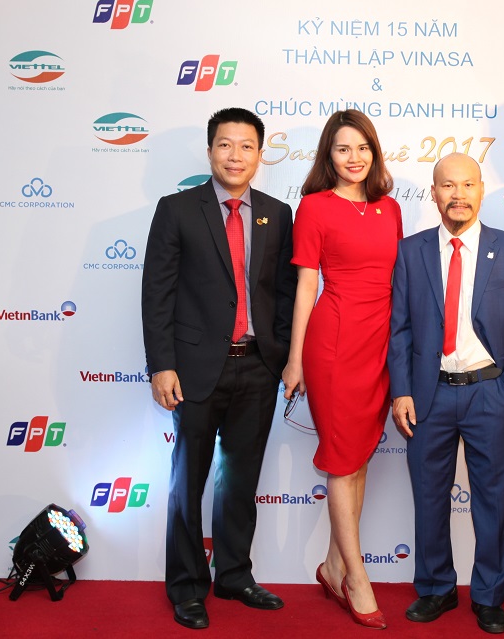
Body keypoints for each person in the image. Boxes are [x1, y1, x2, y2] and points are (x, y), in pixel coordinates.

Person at [142, 107, 296, 630]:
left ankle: (233, 574)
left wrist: (282, 357)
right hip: (193, 371)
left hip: (257, 367)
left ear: (260, 154)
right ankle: (187, 587)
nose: (236, 156)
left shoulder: (277, 213)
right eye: (225, 145)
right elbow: (157, 294)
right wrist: (162, 365)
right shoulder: (177, 209)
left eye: (246, 146)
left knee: (240, 482)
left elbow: (284, 293)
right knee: (188, 483)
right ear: (210, 151)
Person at [388, 153, 504, 635]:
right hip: (428, 395)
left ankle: (489, 595)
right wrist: (401, 391)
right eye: (448, 186)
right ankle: (436, 588)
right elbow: (400, 329)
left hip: (489, 393)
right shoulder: (410, 252)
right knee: (429, 497)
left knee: (492, 501)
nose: (458, 195)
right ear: (433, 193)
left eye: (468, 185)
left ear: (481, 190)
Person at [281, 109, 402, 630]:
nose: (355, 158)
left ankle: (332, 566)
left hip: (380, 344)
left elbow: (397, 281)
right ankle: (357, 577)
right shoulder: (314, 207)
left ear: (374, 152)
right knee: (341, 461)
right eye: (343, 149)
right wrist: (294, 359)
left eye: (363, 148)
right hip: (333, 343)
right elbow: (307, 286)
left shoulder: (390, 208)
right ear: (328, 156)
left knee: (360, 459)